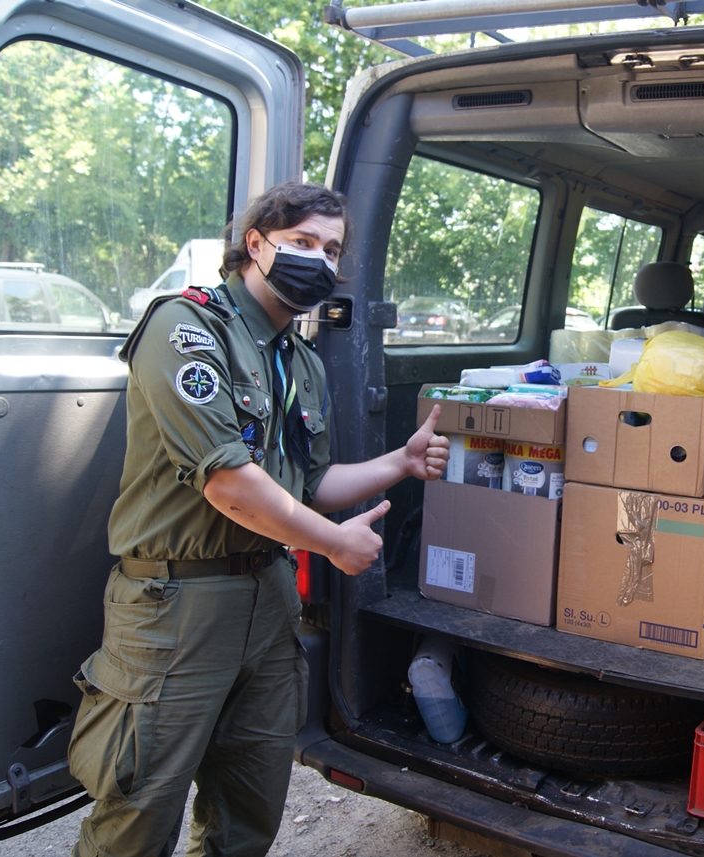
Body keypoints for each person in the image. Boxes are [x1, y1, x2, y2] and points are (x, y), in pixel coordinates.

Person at [67, 182, 449, 857]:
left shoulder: (299, 361)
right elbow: (229, 485)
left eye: (331, 250)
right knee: (138, 813)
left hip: (268, 601)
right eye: (303, 242)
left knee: (247, 812)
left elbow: (310, 485)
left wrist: (401, 462)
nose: (320, 260)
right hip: (176, 606)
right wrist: (333, 545)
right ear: (255, 243)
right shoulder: (187, 329)